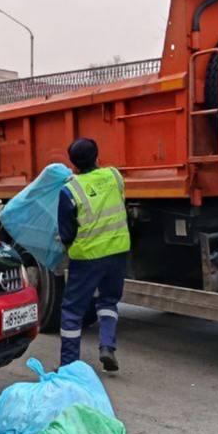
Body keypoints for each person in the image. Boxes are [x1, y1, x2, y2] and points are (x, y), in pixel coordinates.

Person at [57, 138, 131, 372]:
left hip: (87, 257)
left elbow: (66, 234)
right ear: (98, 157)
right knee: (108, 301)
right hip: (117, 251)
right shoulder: (114, 176)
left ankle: (69, 365)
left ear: (73, 165)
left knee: (72, 311)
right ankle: (107, 346)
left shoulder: (69, 190)